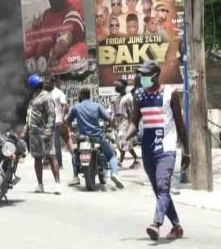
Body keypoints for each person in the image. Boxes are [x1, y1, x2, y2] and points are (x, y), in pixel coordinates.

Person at [120, 61, 189, 241]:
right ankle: (177, 227)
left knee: (163, 184)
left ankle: (156, 223)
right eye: (140, 75)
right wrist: (125, 137)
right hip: (148, 148)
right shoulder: (139, 95)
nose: (141, 78)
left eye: (144, 75)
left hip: (167, 147)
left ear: (155, 75)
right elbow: (134, 121)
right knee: (159, 189)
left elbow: (180, 124)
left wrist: (186, 151)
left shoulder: (170, 94)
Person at [66, 88, 124, 189]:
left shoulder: (76, 107)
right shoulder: (97, 106)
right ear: (89, 96)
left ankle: (75, 176)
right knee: (112, 155)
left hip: (83, 138)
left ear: (82, 95)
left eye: (79, 95)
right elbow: (109, 119)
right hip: (98, 137)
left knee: (75, 152)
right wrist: (114, 126)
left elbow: (67, 121)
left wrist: (71, 130)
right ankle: (114, 173)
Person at [24, 0, 85, 64]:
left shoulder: (71, 13)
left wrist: (55, 53)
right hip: (36, 64)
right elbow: (35, 37)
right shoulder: (46, 13)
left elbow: (66, 36)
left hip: (54, 63)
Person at [22, 74, 61, 194]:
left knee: (51, 156)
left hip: (45, 133)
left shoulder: (46, 97)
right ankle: (40, 185)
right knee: (37, 158)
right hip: (34, 134)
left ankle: (58, 184)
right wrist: (25, 131)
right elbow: (29, 116)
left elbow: (51, 115)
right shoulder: (33, 98)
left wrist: (49, 130)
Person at [44, 77, 71, 172]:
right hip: (46, 122)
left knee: (56, 144)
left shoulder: (59, 93)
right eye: (45, 83)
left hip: (56, 121)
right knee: (46, 142)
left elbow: (65, 106)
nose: (45, 85)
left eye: (47, 83)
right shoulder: (45, 93)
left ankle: (59, 164)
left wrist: (61, 119)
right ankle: (47, 162)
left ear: (53, 82)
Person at [114, 78, 140, 169]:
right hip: (119, 123)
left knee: (123, 141)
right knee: (126, 144)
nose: (116, 86)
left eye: (119, 84)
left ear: (124, 86)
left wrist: (133, 125)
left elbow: (133, 111)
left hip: (127, 123)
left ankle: (120, 162)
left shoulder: (129, 97)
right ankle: (136, 159)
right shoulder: (117, 98)